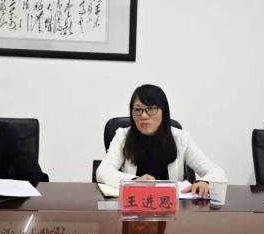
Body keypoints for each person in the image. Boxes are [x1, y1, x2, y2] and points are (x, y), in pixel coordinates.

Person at [96, 84, 227, 198]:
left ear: (164, 112)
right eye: (137, 110)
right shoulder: (123, 137)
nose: (144, 115)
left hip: (171, 210)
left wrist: (205, 182)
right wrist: (135, 181)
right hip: (134, 208)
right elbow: (103, 171)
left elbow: (217, 172)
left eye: (151, 109)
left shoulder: (180, 138)